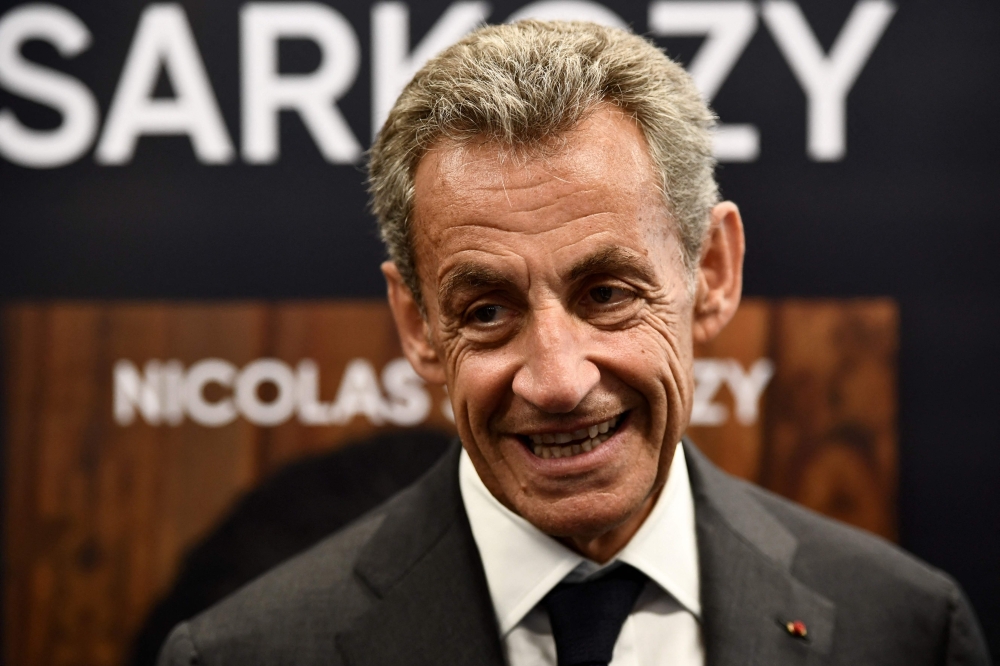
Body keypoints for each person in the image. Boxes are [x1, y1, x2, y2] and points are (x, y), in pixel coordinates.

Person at [157, 20, 990, 666]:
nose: (556, 380)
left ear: (712, 270)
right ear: (416, 324)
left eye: (607, 294)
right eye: (486, 312)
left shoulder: (904, 626)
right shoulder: (245, 652)